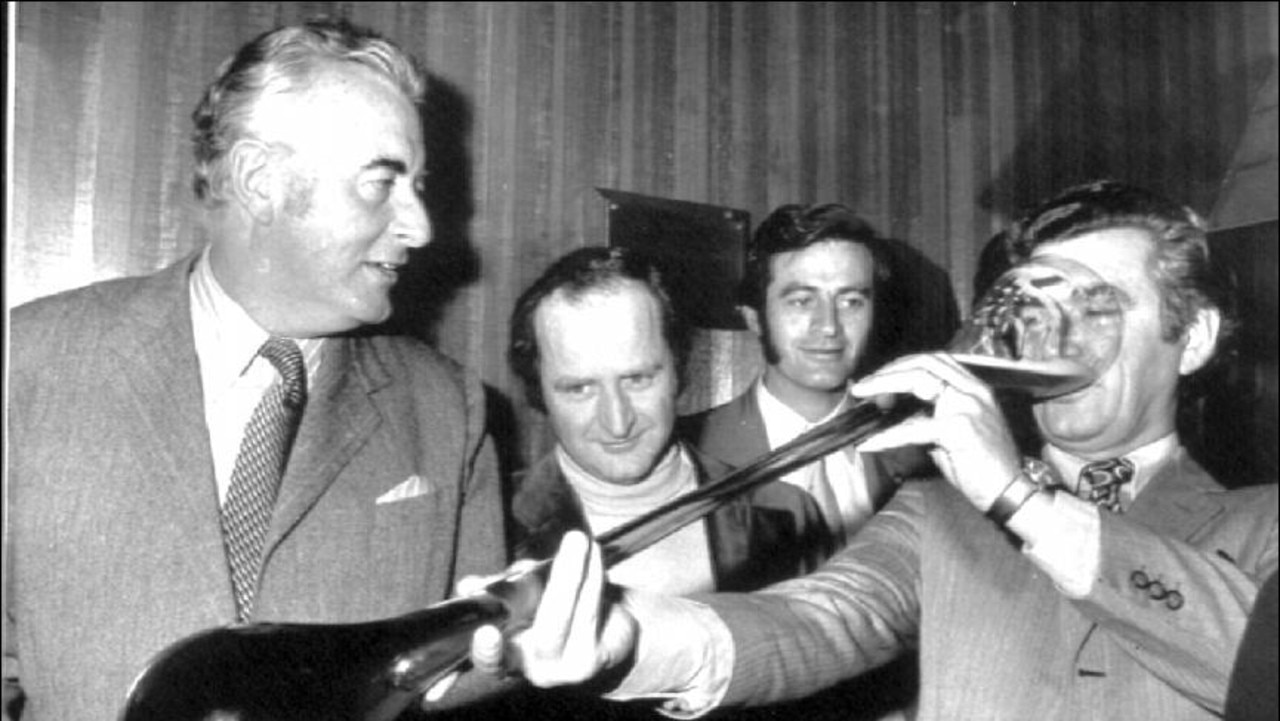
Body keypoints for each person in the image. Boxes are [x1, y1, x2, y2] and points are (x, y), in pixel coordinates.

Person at [461, 180, 1280, 720]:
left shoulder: (1261, 522)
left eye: (1100, 305)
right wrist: (627, 637)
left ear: (1195, 335)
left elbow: (1256, 664)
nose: (1056, 332)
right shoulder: (937, 511)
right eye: (1040, 303)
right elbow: (812, 620)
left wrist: (1026, 501)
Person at [4, 18, 505, 721]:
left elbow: (470, 682)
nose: (419, 225)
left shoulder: (449, 408)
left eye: (417, 185)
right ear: (259, 181)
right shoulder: (28, 365)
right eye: (381, 182)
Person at [506, 245, 832, 594]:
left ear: (678, 369)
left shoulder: (785, 514)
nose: (618, 422)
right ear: (539, 393)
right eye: (580, 388)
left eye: (638, 379)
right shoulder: (494, 520)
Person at [678, 204, 925, 546]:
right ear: (753, 317)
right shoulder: (689, 457)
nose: (828, 326)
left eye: (851, 301)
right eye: (801, 301)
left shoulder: (919, 452)